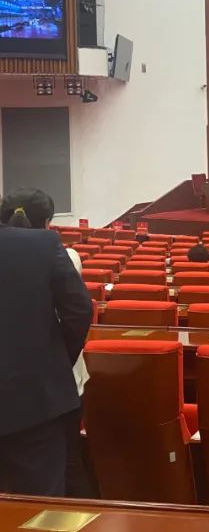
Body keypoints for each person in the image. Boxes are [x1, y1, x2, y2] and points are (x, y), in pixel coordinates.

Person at [0, 189, 93, 497]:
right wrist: (55, 361)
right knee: (39, 505)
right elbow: (78, 310)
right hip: (34, 400)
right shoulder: (42, 244)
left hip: (31, 399)